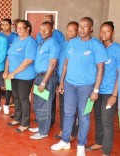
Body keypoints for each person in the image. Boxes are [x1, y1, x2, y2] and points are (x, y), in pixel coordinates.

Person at [51, 17, 107, 156]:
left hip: (86, 87)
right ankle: (65, 141)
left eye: (85, 26)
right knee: (68, 113)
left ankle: (81, 145)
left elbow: (101, 69)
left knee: (84, 116)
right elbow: (66, 63)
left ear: (91, 28)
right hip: (70, 84)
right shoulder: (72, 43)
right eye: (80, 26)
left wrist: (96, 90)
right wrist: (62, 82)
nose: (82, 29)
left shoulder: (96, 45)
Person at [85, 21, 120, 156]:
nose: (104, 33)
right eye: (102, 31)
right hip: (97, 90)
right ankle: (99, 143)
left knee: (107, 122)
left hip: (110, 92)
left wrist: (114, 95)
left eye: (107, 31)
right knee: (98, 118)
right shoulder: (98, 48)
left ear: (113, 33)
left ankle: (106, 151)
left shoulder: (117, 49)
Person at [4, 20, 36, 132]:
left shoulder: (30, 42)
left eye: (22, 28)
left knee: (23, 99)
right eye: (18, 28)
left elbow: (28, 61)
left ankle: (25, 123)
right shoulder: (16, 39)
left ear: (28, 29)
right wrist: (6, 71)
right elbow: (9, 56)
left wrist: (13, 73)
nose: (20, 30)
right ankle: (17, 118)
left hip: (25, 76)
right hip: (13, 75)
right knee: (16, 97)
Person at [29, 21, 59, 140]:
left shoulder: (53, 44)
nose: (43, 31)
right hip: (39, 77)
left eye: (46, 29)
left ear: (52, 30)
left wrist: (43, 82)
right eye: (41, 29)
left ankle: (43, 132)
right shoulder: (42, 43)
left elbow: (52, 65)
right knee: (38, 104)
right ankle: (41, 126)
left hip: (46, 78)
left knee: (44, 106)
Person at [54, 21, 79, 140]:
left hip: (73, 81)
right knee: (63, 106)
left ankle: (73, 132)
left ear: (77, 31)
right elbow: (59, 63)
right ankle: (64, 128)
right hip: (61, 80)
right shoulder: (63, 45)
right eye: (68, 29)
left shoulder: (78, 45)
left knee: (72, 107)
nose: (69, 32)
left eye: (72, 30)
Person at [0, 18, 18, 114]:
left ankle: (6, 104)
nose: (4, 26)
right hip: (0, 64)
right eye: (2, 25)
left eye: (6, 24)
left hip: (10, 64)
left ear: (10, 25)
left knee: (9, 85)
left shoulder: (15, 37)